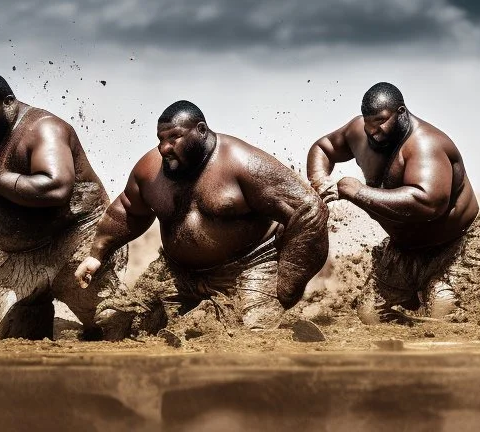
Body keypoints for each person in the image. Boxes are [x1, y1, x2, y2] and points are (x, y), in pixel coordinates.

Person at [75, 100, 329, 336]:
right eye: (160, 139)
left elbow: (308, 209)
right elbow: (128, 209)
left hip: (248, 267)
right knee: (121, 325)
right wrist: (96, 254)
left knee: (251, 334)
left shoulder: (242, 162)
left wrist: (287, 286)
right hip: (177, 272)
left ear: (201, 130)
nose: (165, 148)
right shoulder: (149, 170)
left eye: (174, 137)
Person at [307, 82, 480, 324]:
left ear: (401, 113)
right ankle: (412, 302)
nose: (374, 131)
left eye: (382, 121)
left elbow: (427, 203)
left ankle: (428, 301)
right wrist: (320, 181)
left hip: (456, 245)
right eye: (369, 122)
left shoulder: (425, 144)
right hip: (403, 249)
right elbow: (324, 148)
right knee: (370, 315)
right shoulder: (360, 133)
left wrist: (359, 192)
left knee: (443, 314)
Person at [0, 71, 126, 340]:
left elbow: (56, 187)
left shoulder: (43, 128)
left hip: (76, 240)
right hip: (21, 257)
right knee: (8, 338)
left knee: (111, 328)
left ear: (8, 102)